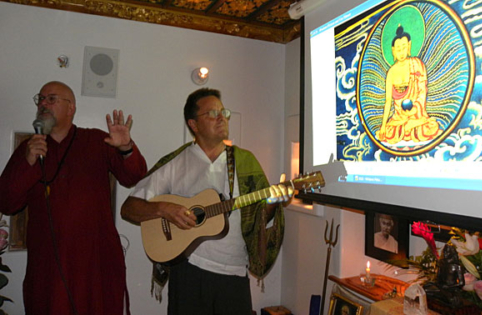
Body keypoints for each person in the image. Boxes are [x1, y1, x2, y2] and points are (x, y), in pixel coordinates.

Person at [121, 88, 292, 315]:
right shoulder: (176, 163)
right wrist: (164, 209)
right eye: (212, 113)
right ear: (193, 124)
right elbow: (129, 209)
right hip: (188, 272)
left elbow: (260, 218)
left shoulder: (245, 161)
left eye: (224, 112)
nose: (222, 118)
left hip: (234, 274)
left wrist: (272, 202)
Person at [0, 81, 147, 315]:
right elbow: (7, 203)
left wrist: (126, 148)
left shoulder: (97, 141)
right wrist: (27, 163)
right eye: (41, 99)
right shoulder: (29, 149)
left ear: (71, 108)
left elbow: (134, 176)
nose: (43, 104)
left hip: (94, 261)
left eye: (51, 99)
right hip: (48, 265)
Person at [376, 25, 441, 145]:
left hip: (416, 113)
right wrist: (384, 125)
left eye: (404, 47)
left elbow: (422, 91)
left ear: (409, 47)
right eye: (398, 49)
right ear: (393, 50)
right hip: (399, 117)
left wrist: (415, 109)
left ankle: (416, 123)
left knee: (430, 127)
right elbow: (388, 101)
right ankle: (409, 126)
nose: (401, 52)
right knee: (389, 132)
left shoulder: (417, 64)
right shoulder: (391, 72)